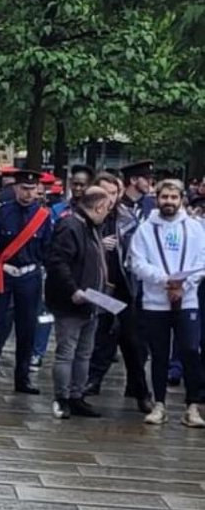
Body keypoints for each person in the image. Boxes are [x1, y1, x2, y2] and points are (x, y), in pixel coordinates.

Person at [130, 179, 205, 427]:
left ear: (182, 198)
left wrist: (184, 285)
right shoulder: (145, 229)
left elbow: (201, 260)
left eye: (174, 197)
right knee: (159, 353)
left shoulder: (195, 228)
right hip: (155, 301)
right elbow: (137, 263)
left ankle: (192, 405)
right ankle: (159, 403)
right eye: (164, 197)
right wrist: (165, 281)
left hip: (187, 299)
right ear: (157, 198)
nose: (169, 202)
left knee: (191, 350)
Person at [0, 168, 54, 394]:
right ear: (15, 188)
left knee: (27, 328)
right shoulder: (3, 212)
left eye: (31, 189)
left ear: (37, 190)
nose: (27, 193)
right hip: (3, 273)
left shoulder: (44, 217)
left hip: (30, 275)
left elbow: (48, 250)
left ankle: (23, 378)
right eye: (23, 188)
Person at [83, 171, 152, 410]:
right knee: (99, 337)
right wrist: (97, 246)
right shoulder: (84, 217)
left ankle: (141, 390)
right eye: (104, 193)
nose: (109, 199)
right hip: (97, 286)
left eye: (113, 193)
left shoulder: (127, 218)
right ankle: (91, 381)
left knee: (132, 340)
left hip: (123, 286)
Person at [44, 186, 114, 419]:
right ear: (99, 207)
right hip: (72, 302)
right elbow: (57, 262)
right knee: (67, 352)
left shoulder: (90, 227)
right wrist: (72, 290)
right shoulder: (71, 226)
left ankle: (76, 396)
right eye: (107, 208)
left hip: (90, 301)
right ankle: (62, 397)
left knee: (84, 353)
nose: (107, 213)